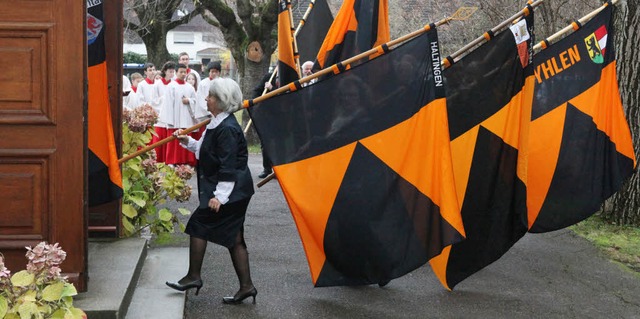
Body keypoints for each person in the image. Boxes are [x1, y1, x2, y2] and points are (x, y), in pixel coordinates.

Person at [166, 77, 257, 305]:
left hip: (232, 193)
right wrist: (188, 141)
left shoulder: (226, 128)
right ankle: (246, 287)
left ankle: (194, 276)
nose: (206, 99)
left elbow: (229, 165)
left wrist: (220, 196)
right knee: (235, 239)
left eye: (211, 96)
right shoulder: (216, 122)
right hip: (235, 192)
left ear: (221, 100)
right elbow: (207, 151)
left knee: (198, 225)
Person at [252, 70, 278, 178]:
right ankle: (267, 168)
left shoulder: (290, 75)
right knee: (266, 142)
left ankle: (279, 169)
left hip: (284, 115)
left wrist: (273, 89)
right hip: (268, 114)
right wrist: (257, 104)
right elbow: (256, 91)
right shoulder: (269, 77)